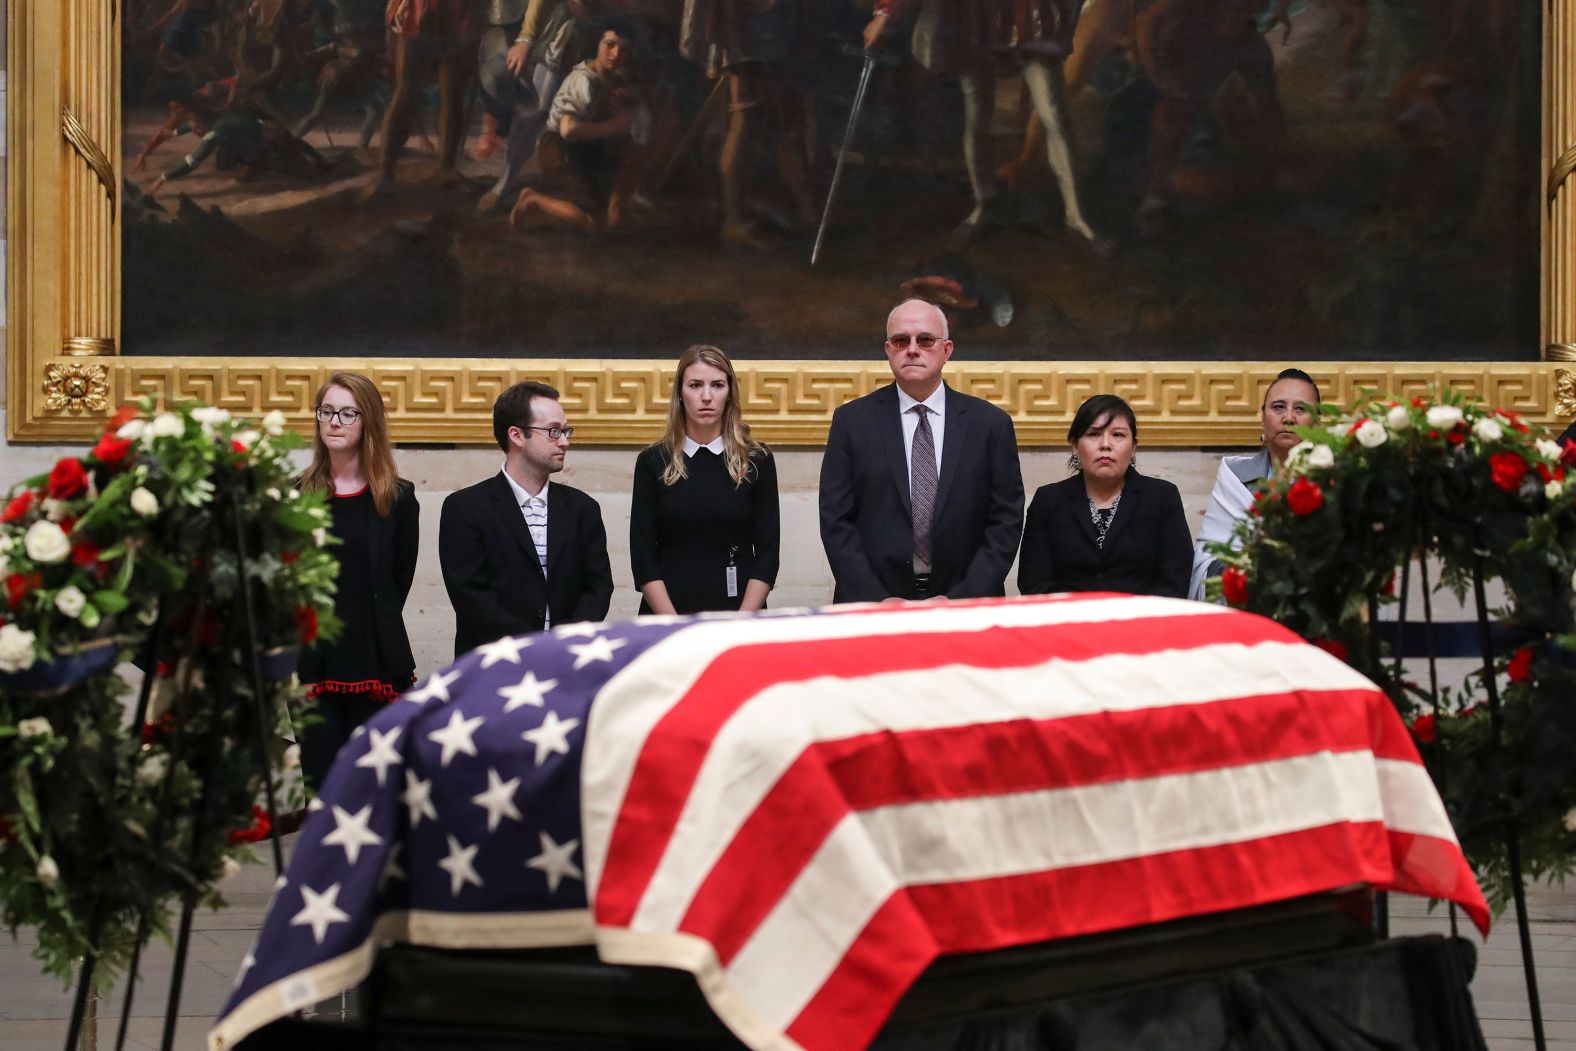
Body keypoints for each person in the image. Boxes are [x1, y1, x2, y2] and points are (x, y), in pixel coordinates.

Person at [819, 298, 1024, 602]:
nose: (912, 348)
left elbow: (1005, 521)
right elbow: (836, 521)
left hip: (967, 604)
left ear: (947, 350)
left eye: (926, 340)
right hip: (873, 605)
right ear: (888, 350)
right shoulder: (852, 422)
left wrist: (959, 600)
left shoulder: (990, 425)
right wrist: (877, 600)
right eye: (901, 341)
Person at [296, 372, 420, 790]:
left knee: (375, 790)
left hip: (377, 658)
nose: (334, 422)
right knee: (323, 789)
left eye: (348, 413)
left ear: (369, 422)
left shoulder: (397, 497)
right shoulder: (296, 496)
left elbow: (398, 582)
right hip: (315, 662)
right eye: (326, 411)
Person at [439, 381, 614, 657]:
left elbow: (598, 588)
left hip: (567, 661)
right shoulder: (465, 508)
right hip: (492, 665)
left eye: (566, 431)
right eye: (553, 431)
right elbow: (471, 595)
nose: (565, 441)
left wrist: (561, 646)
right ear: (517, 436)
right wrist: (529, 649)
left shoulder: (583, 508)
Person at [630, 345, 780, 614]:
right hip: (667, 616)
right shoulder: (653, 461)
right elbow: (643, 557)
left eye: (717, 385)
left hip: (739, 614)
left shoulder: (757, 459)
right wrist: (673, 625)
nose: (707, 396)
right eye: (696, 385)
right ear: (680, 393)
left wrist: (740, 624)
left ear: (730, 394)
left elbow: (768, 555)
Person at [1018, 394, 1192, 598]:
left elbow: (1175, 580)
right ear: (1075, 445)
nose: (1105, 445)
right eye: (1093, 434)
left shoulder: (1162, 497)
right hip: (1068, 623)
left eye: (1118, 435)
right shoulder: (1048, 500)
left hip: (1142, 623)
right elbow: (1035, 582)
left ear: (1134, 447)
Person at [1188, 368, 1320, 599]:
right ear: (1262, 418)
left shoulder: (1332, 477)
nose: (1289, 417)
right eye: (1278, 407)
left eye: (1301, 409)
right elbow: (1207, 558)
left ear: (1317, 423)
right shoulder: (1236, 476)